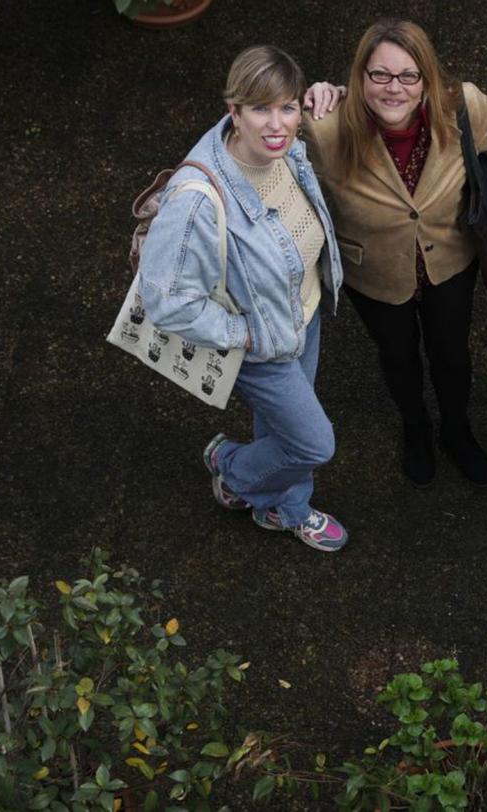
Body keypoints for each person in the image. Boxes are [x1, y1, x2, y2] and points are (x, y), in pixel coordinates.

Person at [301, 19, 487, 489]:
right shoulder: (322, 128)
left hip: (449, 260)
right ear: (359, 77)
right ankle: (416, 429)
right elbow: (250, 141)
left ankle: (456, 429)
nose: (394, 89)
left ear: (427, 77)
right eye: (379, 75)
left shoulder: (462, 107)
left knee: (452, 354)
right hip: (374, 271)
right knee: (398, 355)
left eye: (409, 76)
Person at [138, 45, 348, 552]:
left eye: (288, 108)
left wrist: (332, 92)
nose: (277, 125)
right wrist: (242, 334)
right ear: (233, 111)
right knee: (312, 443)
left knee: (280, 428)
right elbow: (166, 300)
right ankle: (232, 467)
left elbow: (349, 103)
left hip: (303, 313)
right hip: (260, 341)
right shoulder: (196, 199)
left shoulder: (282, 147)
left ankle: (286, 508)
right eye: (260, 109)